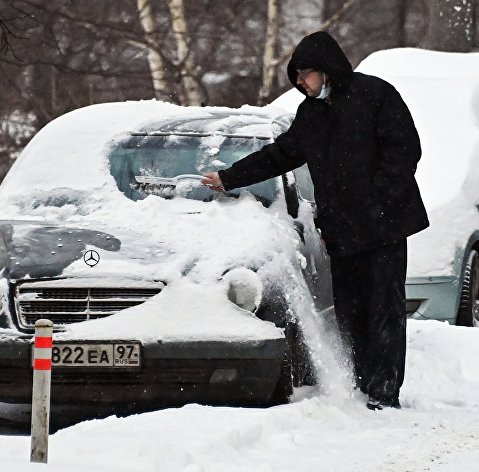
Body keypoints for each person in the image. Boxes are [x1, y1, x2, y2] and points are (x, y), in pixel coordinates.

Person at [201, 31, 429, 410]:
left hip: (384, 226)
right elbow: (282, 153)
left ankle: (384, 392)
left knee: (384, 310)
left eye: (305, 75)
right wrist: (230, 177)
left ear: (326, 70)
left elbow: (404, 152)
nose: (301, 84)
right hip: (342, 232)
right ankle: (360, 383)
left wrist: (377, 205)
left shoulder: (376, 95)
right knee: (351, 311)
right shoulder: (311, 113)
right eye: (296, 78)